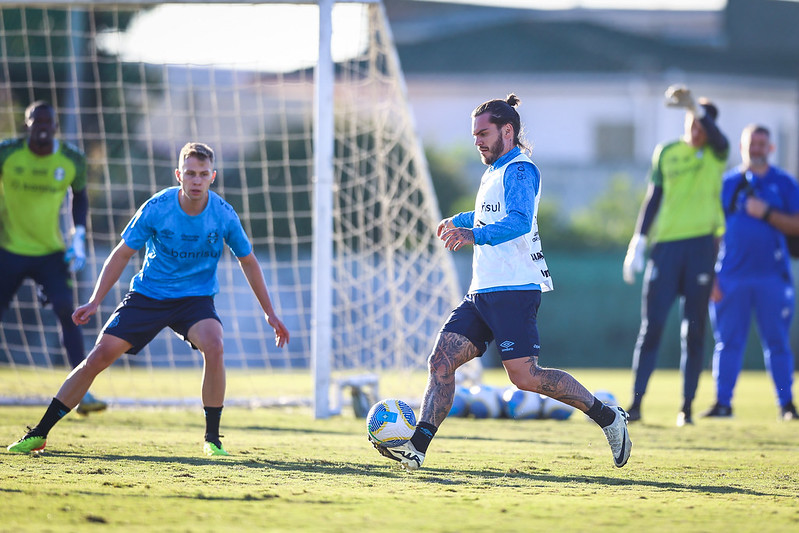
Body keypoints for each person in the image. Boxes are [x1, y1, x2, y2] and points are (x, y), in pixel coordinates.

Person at [370, 94, 632, 471]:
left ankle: (608, 417)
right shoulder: (493, 170)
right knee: (440, 361)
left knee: (525, 377)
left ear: (507, 131)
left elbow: (519, 220)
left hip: (514, 289)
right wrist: (459, 220)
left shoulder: (521, 169)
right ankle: (418, 447)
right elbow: (488, 211)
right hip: (482, 291)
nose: (476, 140)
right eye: (474, 134)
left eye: (483, 132)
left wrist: (473, 235)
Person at [7, 142, 290, 456]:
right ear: (178, 175)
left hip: (194, 300)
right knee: (98, 357)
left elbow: (248, 261)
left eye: (203, 174)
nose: (196, 180)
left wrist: (270, 313)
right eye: (190, 173)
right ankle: (39, 433)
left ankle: (213, 440)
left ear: (213, 176)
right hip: (148, 295)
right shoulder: (157, 207)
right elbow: (121, 254)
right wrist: (94, 301)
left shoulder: (223, 214)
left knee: (215, 344)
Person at [622, 85, 729, 427]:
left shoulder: (716, 154)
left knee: (693, 331)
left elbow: (721, 141)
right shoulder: (667, 152)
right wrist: (638, 241)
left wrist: (698, 108)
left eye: (700, 123)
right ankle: (636, 405)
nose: (695, 129)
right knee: (651, 328)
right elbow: (653, 197)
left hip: (700, 248)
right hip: (665, 250)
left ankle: (686, 407)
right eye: (691, 122)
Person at [0, 100, 106, 415]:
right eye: (37, 121)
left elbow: (80, 195)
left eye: (49, 122)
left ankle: (81, 390)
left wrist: (79, 236)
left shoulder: (72, 158)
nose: (43, 127)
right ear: (27, 124)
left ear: (55, 127)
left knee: (66, 310)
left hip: (49, 252)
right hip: (8, 250)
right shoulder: (7, 153)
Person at [704, 124, 799, 421]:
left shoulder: (784, 182)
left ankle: (786, 406)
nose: (756, 148)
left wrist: (768, 213)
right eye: (751, 143)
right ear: (742, 147)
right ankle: (722, 404)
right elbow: (711, 231)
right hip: (730, 277)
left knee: (778, 343)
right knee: (727, 342)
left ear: (770, 148)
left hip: (773, 277)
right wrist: (711, 276)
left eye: (762, 143)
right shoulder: (726, 183)